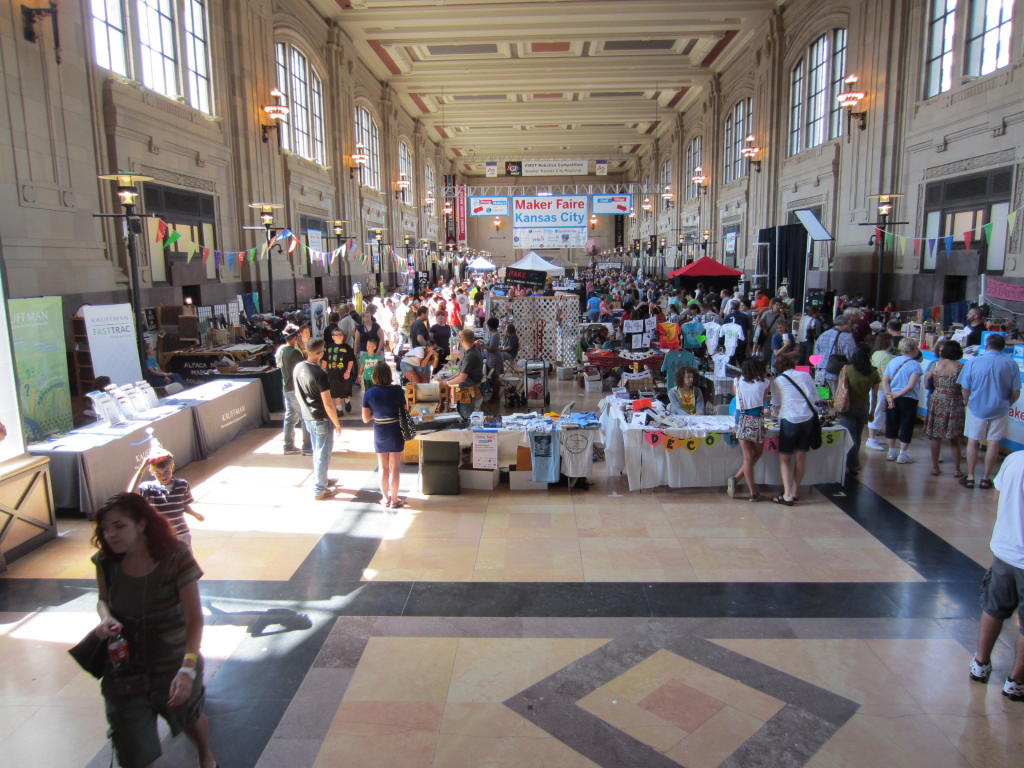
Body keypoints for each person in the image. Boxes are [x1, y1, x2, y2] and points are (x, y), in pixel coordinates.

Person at [90, 492, 217, 768]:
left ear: (141, 524)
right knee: (132, 746)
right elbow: (103, 600)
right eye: (105, 528)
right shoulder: (105, 561)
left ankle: (205, 753)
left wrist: (187, 668)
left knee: (188, 717)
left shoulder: (176, 556)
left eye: (119, 526)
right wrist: (105, 618)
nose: (110, 534)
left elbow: (194, 618)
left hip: (172, 662)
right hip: (125, 667)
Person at [968, 449, 1024, 702]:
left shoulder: (1014, 459)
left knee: (994, 609)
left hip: (1004, 551)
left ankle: (980, 664)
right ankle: (1016, 682)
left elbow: (997, 498)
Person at [959, 333, 1021, 489]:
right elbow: (1016, 392)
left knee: (973, 441)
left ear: (986, 345)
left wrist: (967, 403)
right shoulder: (1011, 364)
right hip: (1000, 407)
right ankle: (986, 478)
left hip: (976, 406)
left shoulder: (973, 362)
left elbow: (965, 389)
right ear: (1003, 347)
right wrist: (1007, 404)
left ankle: (971, 477)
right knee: (993, 442)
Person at [294, 339, 342, 500]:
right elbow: (328, 403)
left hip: (308, 417)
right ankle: (319, 489)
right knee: (323, 453)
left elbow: (297, 393)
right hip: (321, 419)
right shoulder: (320, 374)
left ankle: (321, 479)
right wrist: (336, 423)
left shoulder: (298, 368)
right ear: (319, 354)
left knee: (317, 451)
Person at [128, 452, 204, 549]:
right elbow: (132, 493)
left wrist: (195, 514)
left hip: (181, 533)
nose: (163, 477)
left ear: (172, 468)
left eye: (166, 472)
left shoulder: (182, 485)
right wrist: (141, 469)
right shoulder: (148, 488)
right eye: (158, 474)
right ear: (152, 472)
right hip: (161, 535)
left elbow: (183, 505)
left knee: (184, 557)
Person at [770, 355, 819, 505]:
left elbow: (776, 405)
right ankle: (795, 490)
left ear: (777, 368)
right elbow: (815, 398)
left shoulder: (777, 381)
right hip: (808, 418)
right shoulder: (806, 376)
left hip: (789, 418)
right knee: (800, 457)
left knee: (785, 458)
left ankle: (787, 494)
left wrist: (775, 413)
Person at [361, 361, 408, 509]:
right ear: (389, 374)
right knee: (395, 468)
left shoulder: (369, 393)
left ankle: (385, 498)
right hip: (395, 429)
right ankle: (395, 499)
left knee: (383, 467)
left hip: (380, 430)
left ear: (374, 376)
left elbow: (365, 418)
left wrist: (375, 412)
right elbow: (404, 409)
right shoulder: (398, 390)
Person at [728, 356, 770, 502]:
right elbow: (762, 400)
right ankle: (742, 483)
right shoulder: (765, 383)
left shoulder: (737, 382)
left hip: (740, 420)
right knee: (757, 454)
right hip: (756, 420)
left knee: (747, 457)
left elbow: (737, 400)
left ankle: (748, 488)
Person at [924, 340, 966, 477]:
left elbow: (927, 383)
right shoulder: (961, 366)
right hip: (954, 401)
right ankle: (957, 470)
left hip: (937, 400)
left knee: (936, 437)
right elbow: (965, 387)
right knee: (954, 438)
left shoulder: (935, 365)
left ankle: (935, 467)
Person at [838, 343, 880, 477]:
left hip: (847, 406)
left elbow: (840, 388)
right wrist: (872, 411)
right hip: (863, 407)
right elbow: (874, 395)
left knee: (851, 436)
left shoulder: (846, 369)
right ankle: (852, 465)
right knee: (857, 436)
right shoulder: (873, 372)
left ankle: (853, 464)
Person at [881, 338, 924, 464]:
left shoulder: (893, 361)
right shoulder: (915, 365)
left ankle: (891, 452)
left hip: (891, 396)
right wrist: (897, 395)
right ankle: (902, 454)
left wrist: (890, 396)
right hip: (909, 399)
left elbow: (885, 381)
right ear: (914, 349)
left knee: (891, 423)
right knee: (907, 425)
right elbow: (911, 386)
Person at [276, 324, 311, 456]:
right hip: (295, 389)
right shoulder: (295, 353)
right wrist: (303, 349)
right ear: (296, 338)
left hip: (286, 388)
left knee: (290, 419)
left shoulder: (282, 351)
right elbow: (307, 364)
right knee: (305, 417)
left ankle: (288, 446)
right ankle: (307, 447)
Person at [865, 332, 895, 451]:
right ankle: (871, 439)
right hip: (882, 388)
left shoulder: (876, 353)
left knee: (877, 411)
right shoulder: (886, 357)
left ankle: (873, 437)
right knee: (878, 412)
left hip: (875, 386)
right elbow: (886, 374)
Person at [447, 329, 485, 419]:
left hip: (470, 393)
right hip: (471, 391)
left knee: (467, 419)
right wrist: (449, 379)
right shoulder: (472, 351)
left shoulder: (470, 355)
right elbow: (461, 372)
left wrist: (447, 383)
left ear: (462, 340)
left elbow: (462, 378)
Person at [813, 314, 856, 393]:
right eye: (849, 324)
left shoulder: (823, 335)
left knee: (823, 399)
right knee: (837, 398)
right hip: (835, 374)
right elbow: (852, 356)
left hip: (820, 374)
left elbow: (816, 354)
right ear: (843, 324)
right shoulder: (846, 337)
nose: (850, 327)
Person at [322, 327, 357, 414]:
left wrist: (348, 371)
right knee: (335, 392)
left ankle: (347, 402)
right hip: (332, 374)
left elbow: (351, 360)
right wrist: (323, 370)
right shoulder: (329, 347)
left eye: (341, 334)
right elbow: (325, 360)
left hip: (344, 373)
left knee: (346, 391)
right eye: (337, 335)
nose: (339, 336)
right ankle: (339, 409)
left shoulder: (347, 347)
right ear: (332, 337)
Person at [482, 317, 504, 404]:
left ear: (491, 326)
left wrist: (483, 346)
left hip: (494, 358)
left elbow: (492, 349)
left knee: (495, 377)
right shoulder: (494, 334)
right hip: (492, 357)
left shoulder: (495, 335)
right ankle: (495, 396)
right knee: (494, 377)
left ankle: (496, 396)